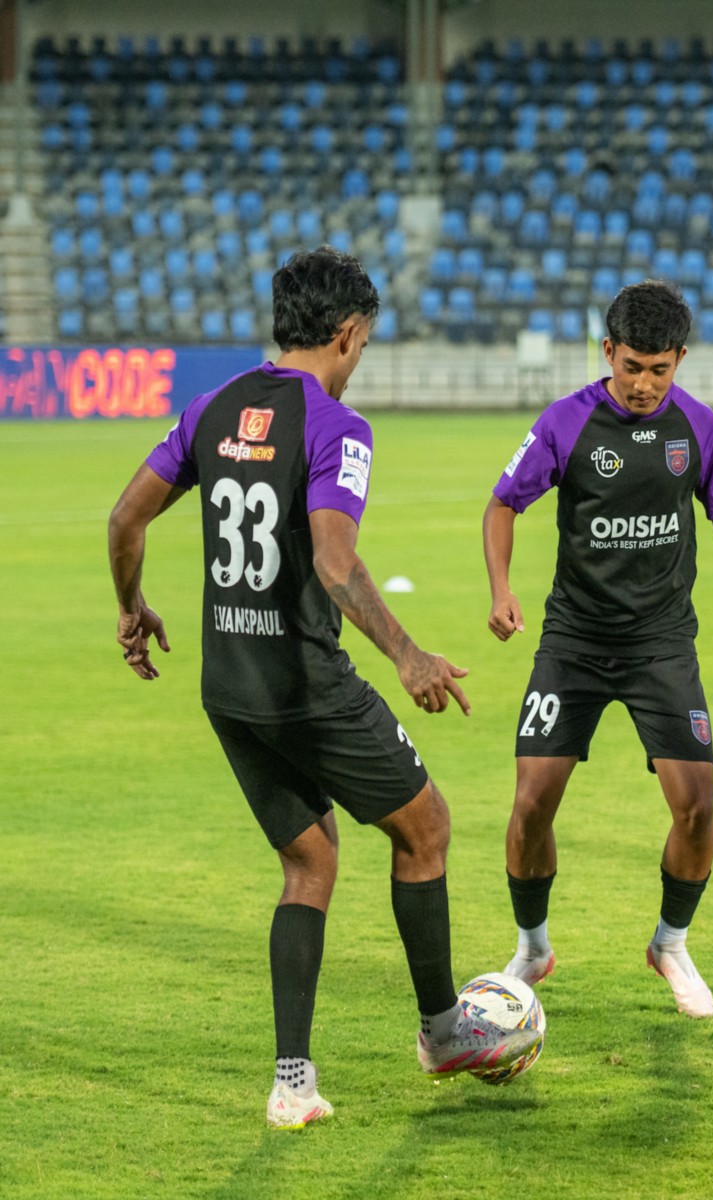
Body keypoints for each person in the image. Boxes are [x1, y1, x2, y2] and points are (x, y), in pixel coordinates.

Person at [107, 246, 537, 1131]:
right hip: (307, 685)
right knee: (426, 830)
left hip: (228, 686)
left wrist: (133, 608)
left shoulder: (211, 406)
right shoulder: (337, 426)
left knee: (308, 862)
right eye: (365, 341)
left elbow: (125, 517)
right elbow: (336, 563)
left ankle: (292, 1083)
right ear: (346, 334)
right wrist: (409, 654)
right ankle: (442, 1033)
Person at [484, 280, 713, 1019]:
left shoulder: (698, 427)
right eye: (632, 368)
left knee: (697, 809)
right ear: (607, 351)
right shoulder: (565, 423)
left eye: (661, 369)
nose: (646, 384)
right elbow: (502, 504)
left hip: (660, 646)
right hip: (574, 643)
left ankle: (671, 944)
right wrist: (501, 589)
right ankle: (533, 946)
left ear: (680, 358)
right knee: (530, 805)